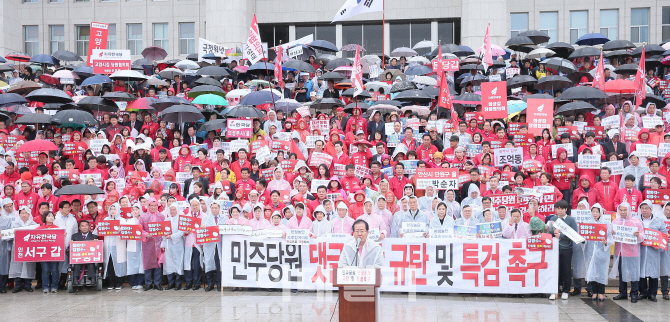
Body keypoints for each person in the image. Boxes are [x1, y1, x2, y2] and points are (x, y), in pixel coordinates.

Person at [611, 202, 645, 303]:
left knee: (634, 273)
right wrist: (611, 233)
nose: (622, 212)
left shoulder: (636, 222)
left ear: (629, 210)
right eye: (621, 210)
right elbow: (610, 236)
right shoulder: (615, 221)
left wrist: (638, 235)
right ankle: (622, 293)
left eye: (625, 210)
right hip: (620, 252)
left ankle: (634, 294)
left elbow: (642, 237)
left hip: (632, 253)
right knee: (621, 274)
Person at [546, 200, 577, 300]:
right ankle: (554, 290)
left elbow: (574, 234)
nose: (559, 210)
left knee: (566, 270)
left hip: (566, 248)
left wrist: (562, 235)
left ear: (566, 209)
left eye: (562, 208)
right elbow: (550, 233)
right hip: (555, 248)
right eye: (558, 208)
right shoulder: (553, 218)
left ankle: (566, 290)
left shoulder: (571, 220)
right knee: (555, 269)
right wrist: (549, 231)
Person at [638, 200, 668, 302]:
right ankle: (642, 292)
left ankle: (652, 293)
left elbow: (664, 235)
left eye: (647, 208)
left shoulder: (658, 221)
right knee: (641, 271)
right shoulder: (637, 220)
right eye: (642, 208)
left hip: (653, 251)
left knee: (653, 272)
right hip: (640, 250)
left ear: (651, 209)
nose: (644, 210)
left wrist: (659, 245)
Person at [9, 207, 37, 293]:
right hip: (18, 248)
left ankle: (28, 285)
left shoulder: (33, 224)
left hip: (29, 248)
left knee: (28, 266)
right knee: (17, 266)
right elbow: (9, 235)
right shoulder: (14, 224)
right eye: (22, 213)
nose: (24, 215)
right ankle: (18, 285)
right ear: (19, 214)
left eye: (26, 213)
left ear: (29, 214)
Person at [140, 197, 165, 290]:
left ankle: (157, 283)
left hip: (158, 242)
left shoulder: (161, 216)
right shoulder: (143, 217)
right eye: (152, 205)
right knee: (147, 262)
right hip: (147, 243)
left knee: (158, 262)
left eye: (155, 205)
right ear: (148, 206)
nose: (153, 207)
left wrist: (163, 243)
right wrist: (146, 234)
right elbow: (140, 229)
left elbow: (165, 228)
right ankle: (148, 283)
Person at [162, 202, 185, 290]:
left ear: (177, 210)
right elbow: (163, 234)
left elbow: (181, 232)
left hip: (178, 245)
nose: (172, 211)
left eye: (174, 209)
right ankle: (171, 282)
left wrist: (172, 236)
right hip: (168, 244)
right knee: (169, 263)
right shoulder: (166, 220)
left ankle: (178, 283)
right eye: (170, 210)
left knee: (178, 262)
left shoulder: (181, 220)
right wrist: (163, 244)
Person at [70, 220, 98, 287]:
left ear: (89, 227)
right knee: (76, 263)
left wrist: (97, 243)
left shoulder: (94, 237)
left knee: (91, 262)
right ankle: (75, 279)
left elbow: (98, 250)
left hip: (89, 258)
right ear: (79, 228)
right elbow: (70, 249)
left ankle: (92, 279)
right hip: (79, 258)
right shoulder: (74, 236)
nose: (84, 227)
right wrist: (70, 245)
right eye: (82, 226)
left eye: (86, 225)